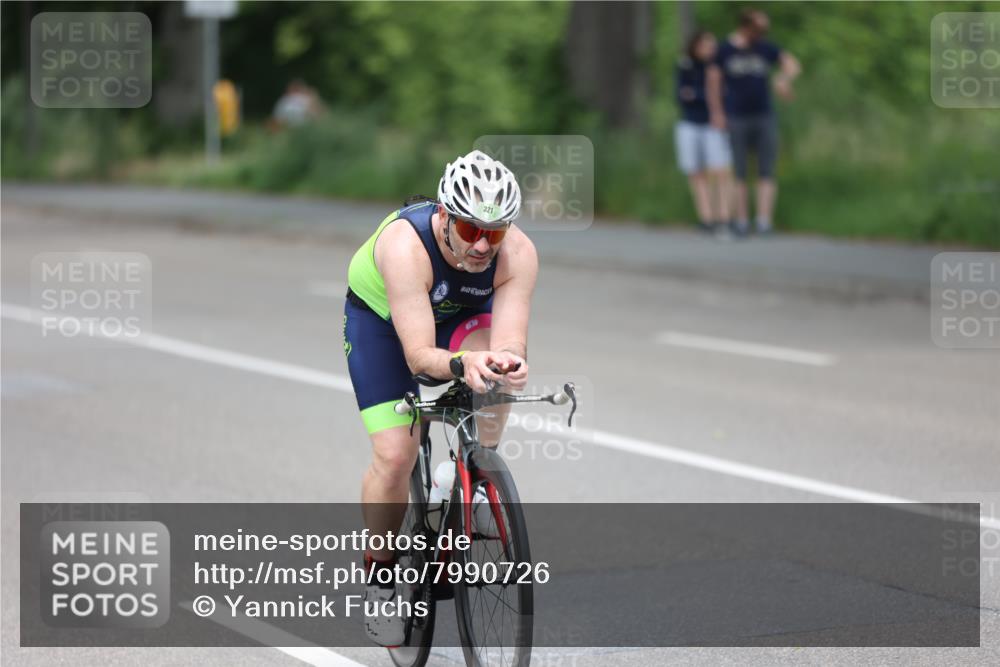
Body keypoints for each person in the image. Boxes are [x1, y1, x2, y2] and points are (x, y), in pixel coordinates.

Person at [342, 150, 537, 645]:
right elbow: (418, 357)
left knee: (495, 370)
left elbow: (510, 339)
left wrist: (507, 361)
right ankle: (381, 577)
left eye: (493, 233)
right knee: (394, 454)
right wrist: (458, 365)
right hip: (386, 324)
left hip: (459, 315)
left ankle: (469, 473)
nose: (481, 245)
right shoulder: (404, 246)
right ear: (445, 217)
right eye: (470, 230)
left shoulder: (518, 253)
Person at [707, 9, 801, 236]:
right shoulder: (724, 50)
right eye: (758, 29)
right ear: (745, 26)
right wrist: (717, 112)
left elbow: (791, 63)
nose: (762, 34)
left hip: (764, 115)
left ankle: (763, 220)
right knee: (739, 171)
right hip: (736, 116)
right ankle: (740, 220)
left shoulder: (765, 47)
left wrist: (783, 78)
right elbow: (713, 82)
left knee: (766, 169)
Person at [675, 30, 732, 236]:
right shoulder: (685, 65)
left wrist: (696, 93)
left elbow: (722, 94)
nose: (711, 49)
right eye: (706, 45)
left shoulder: (718, 66)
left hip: (714, 125)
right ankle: (706, 217)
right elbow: (681, 95)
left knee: (720, 170)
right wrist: (702, 94)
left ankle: (724, 216)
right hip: (690, 123)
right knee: (696, 172)